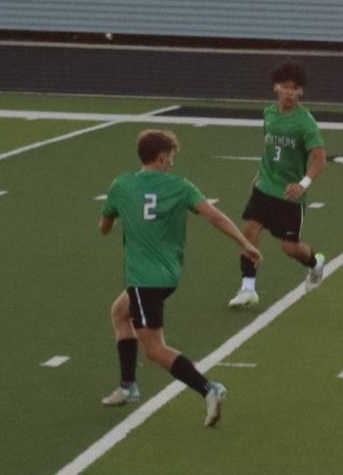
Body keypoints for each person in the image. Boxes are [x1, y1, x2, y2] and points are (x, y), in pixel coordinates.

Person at [98, 128, 257, 425]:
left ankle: (208, 388)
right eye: (170, 157)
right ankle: (128, 385)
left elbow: (104, 226)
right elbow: (214, 216)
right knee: (120, 313)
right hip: (167, 274)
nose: (172, 162)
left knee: (155, 349)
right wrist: (245, 244)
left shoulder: (121, 186)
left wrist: (116, 223)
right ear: (160, 158)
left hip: (144, 279)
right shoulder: (181, 187)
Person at [227, 60, 328, 309]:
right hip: (264, 187)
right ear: (276, 87)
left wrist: (302, 184)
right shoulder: (269, 113)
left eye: (294, 88)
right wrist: (261, 173)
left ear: (301, 91)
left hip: (289, 196)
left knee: (290, 248)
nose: (289, 92)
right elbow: (270, 148)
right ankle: (248, 288)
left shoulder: (306, 123)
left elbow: (320, 160)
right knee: (249, 231)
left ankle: (315, 263)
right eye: (285, 86)